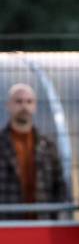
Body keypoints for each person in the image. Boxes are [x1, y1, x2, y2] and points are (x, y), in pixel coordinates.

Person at [0, 83, 66, 219]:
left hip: (42, 221)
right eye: (18, 101)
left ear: (35, 106)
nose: (24, 106)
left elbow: (59, 184)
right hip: (6, 222)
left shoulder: (47, 145)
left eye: (29, 101)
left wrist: (56, 216)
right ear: (8, 105)